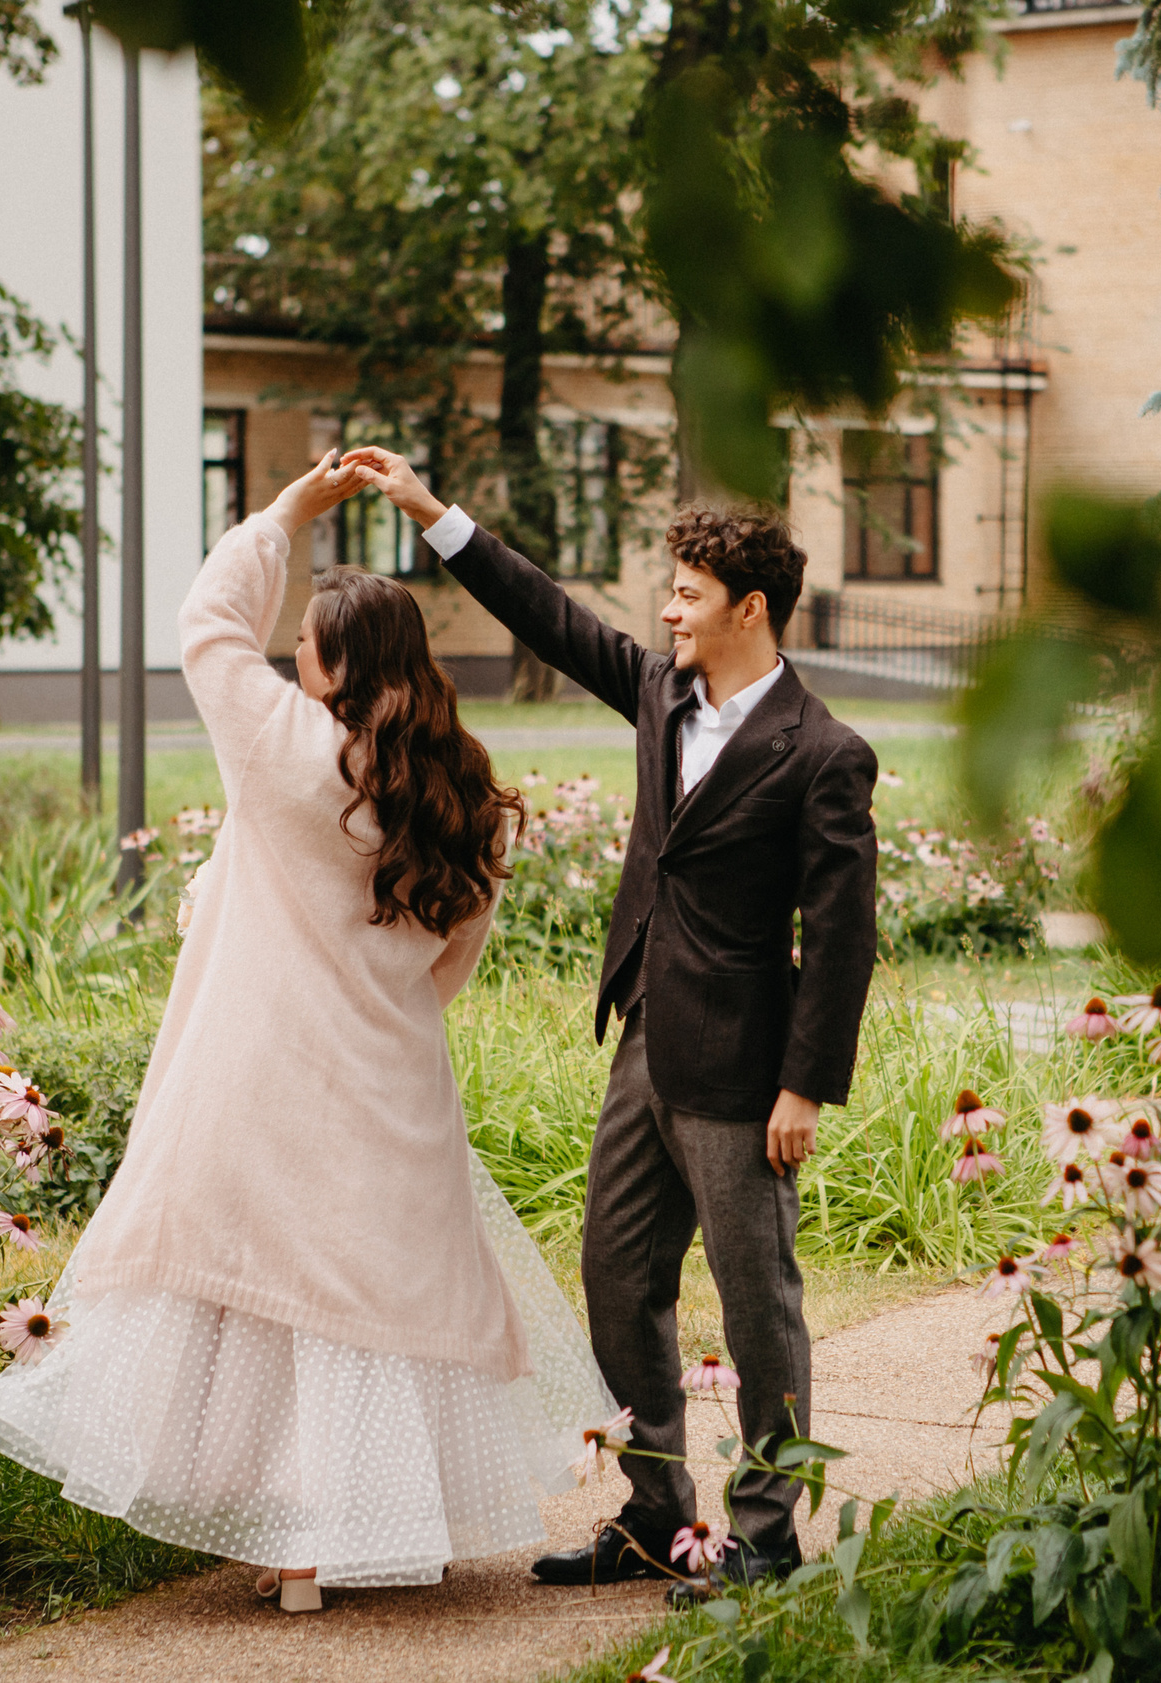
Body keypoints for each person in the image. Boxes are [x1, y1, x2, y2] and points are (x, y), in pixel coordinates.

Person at [0, 452, 613, 1613]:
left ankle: (297, 1549)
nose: (289, 656)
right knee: (361, 1311)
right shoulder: (462, 787)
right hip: (392, 1075)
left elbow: (207, 618)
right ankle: (343, 1537)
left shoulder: (279, 748)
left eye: (305, 644)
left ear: (330, 665)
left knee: (267, 1301)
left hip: (262, 1067)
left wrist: (286, 512)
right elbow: (455, 958)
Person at [343, 447, 879, 1595]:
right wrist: (434, 514)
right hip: (645, 1044)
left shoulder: (825, 753)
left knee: (758, 1308)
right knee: (615, 1276)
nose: (666, 610)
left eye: (686, 595)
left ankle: (766, 1536)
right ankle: (652, 1514)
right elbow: (547, 615)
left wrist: (804, 1088)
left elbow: (841, 939)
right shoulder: (657, 690)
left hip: (743, 1073)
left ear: (749, 609)